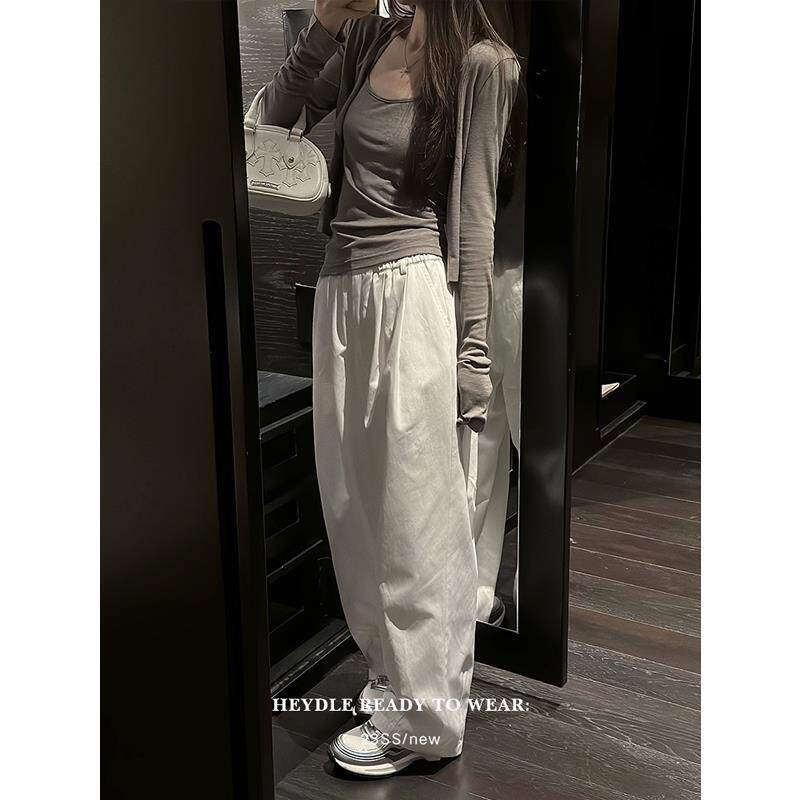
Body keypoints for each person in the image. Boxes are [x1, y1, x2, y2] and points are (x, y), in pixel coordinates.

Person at [260, 0, 520, 777]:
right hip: (339, 293)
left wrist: (472, 358)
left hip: (413, 293)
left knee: (416, 519)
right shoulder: (369, 35)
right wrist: (325, 25)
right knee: (354, 513)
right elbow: (272, 119)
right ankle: (393, 677)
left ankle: (425, 721)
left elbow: (477, 214)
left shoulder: (481, 65)